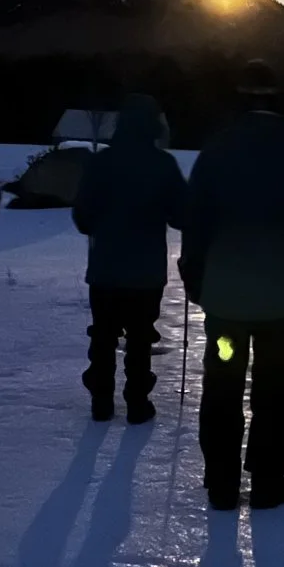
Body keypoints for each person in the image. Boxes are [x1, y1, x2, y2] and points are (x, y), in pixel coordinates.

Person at [181, 60, 284, 510]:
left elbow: (196, 224)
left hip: (226, 300)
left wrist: (196, 279)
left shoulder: (216, 150)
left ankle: (222, 481)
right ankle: (266, 479)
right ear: (276, 97)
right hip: (280, 299)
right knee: (274, 382)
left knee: (223, 381)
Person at [73, 93, 188, 423]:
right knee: (140, 336)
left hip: (106, 268)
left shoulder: (100, 163)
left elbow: (82, 217)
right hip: (146, 272)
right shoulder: (163, 164)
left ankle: (101, 399)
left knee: (104, 333)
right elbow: (182, 215)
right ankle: (137, 401)